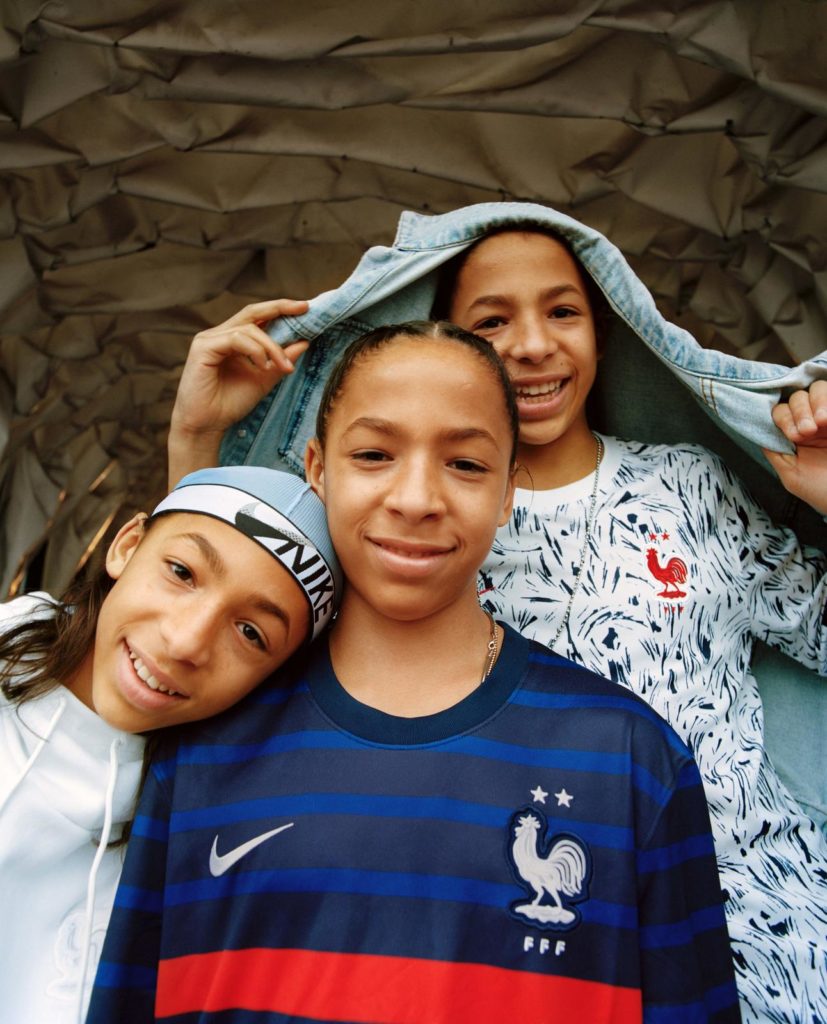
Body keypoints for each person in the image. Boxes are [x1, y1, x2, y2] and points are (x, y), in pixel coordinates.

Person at [163, 202, 826, 1023]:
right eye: (491, 321)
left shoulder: (687, 486)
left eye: (562, 312)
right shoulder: (402, 537)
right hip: (530, 947)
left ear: (604, 334)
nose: (532, 344)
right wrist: (196, 438)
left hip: (770, 927)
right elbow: (219, 622)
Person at [89, 321, 739, 1023]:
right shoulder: (203, 748)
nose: (416, 498)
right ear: (317, 469)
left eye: (465, 465)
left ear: (507, 492)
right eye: (374, 454)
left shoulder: (629, 758)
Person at [0, 464, 340, 1024]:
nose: (185, 641)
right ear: (126, 546)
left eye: (251, 633)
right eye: (182, 572)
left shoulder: (200, 833)